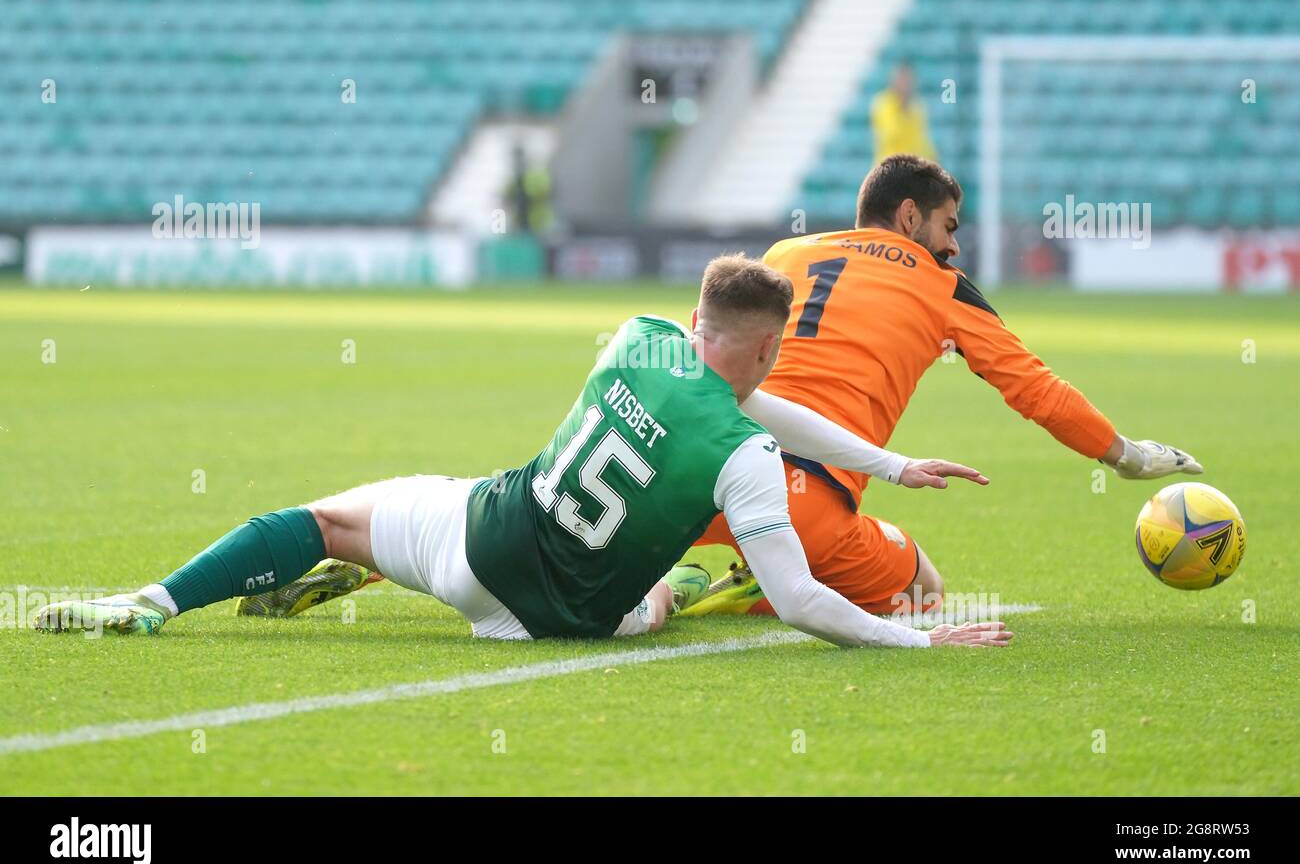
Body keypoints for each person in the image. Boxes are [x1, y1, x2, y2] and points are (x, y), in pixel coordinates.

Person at [33, 255, 1008, 650]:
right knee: (658, 591)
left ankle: (151, 605)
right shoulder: (748, 454)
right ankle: (692, 580)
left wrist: (885, 464)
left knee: (323, 521)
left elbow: (737, 396)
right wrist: (923, 636)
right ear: (763, 349)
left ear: (696, 320)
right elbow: (799, 601)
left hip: (477, 548)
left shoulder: (639, 335)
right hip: (576, 619)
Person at [683, 155, 1202, 619]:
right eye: (948, 226)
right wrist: (1125, 455)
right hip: (807, 505)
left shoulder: (784, 251)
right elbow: (1035, 390)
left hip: (705, 468)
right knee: (924, 593)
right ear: (909, 216)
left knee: (648, 538)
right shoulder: (941, 283)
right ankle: (764, 581)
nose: (953, 245)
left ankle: (672, 581)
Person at [870, 62, 938, 165]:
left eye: (909, 80)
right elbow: (890, 135)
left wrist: (934, 160)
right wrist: (903, 108)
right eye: (903, 79)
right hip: (887, 167)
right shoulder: (882, 103)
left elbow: (923, 141)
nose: (905, 84)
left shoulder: (918, 106)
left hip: (912, 168)